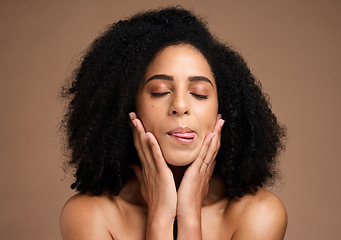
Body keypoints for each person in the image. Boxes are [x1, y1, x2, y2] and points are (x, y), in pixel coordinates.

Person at [60, 6, 287, 239]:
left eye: (199, 93)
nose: (180, 106)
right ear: (128, 106)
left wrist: (188, 215)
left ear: (223, 109)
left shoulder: (259, 214)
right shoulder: (90, 215)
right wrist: (161, 217)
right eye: (160, 91)